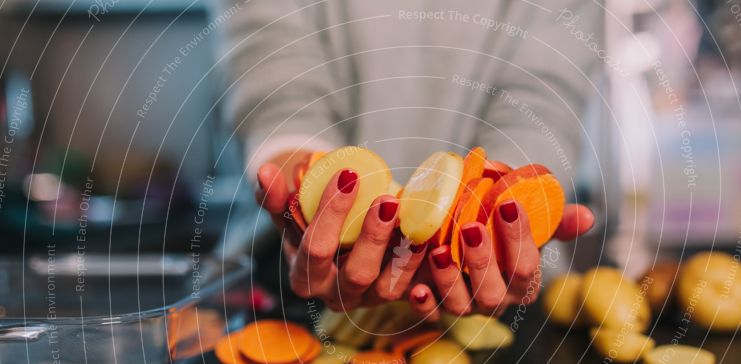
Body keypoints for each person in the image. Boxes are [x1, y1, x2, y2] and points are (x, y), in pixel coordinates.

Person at [217, 0, 600, 317]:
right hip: (288, 279)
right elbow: (276, 79)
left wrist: (496, 221)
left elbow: (539, 102)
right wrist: (297, 192)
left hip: (497, 289)